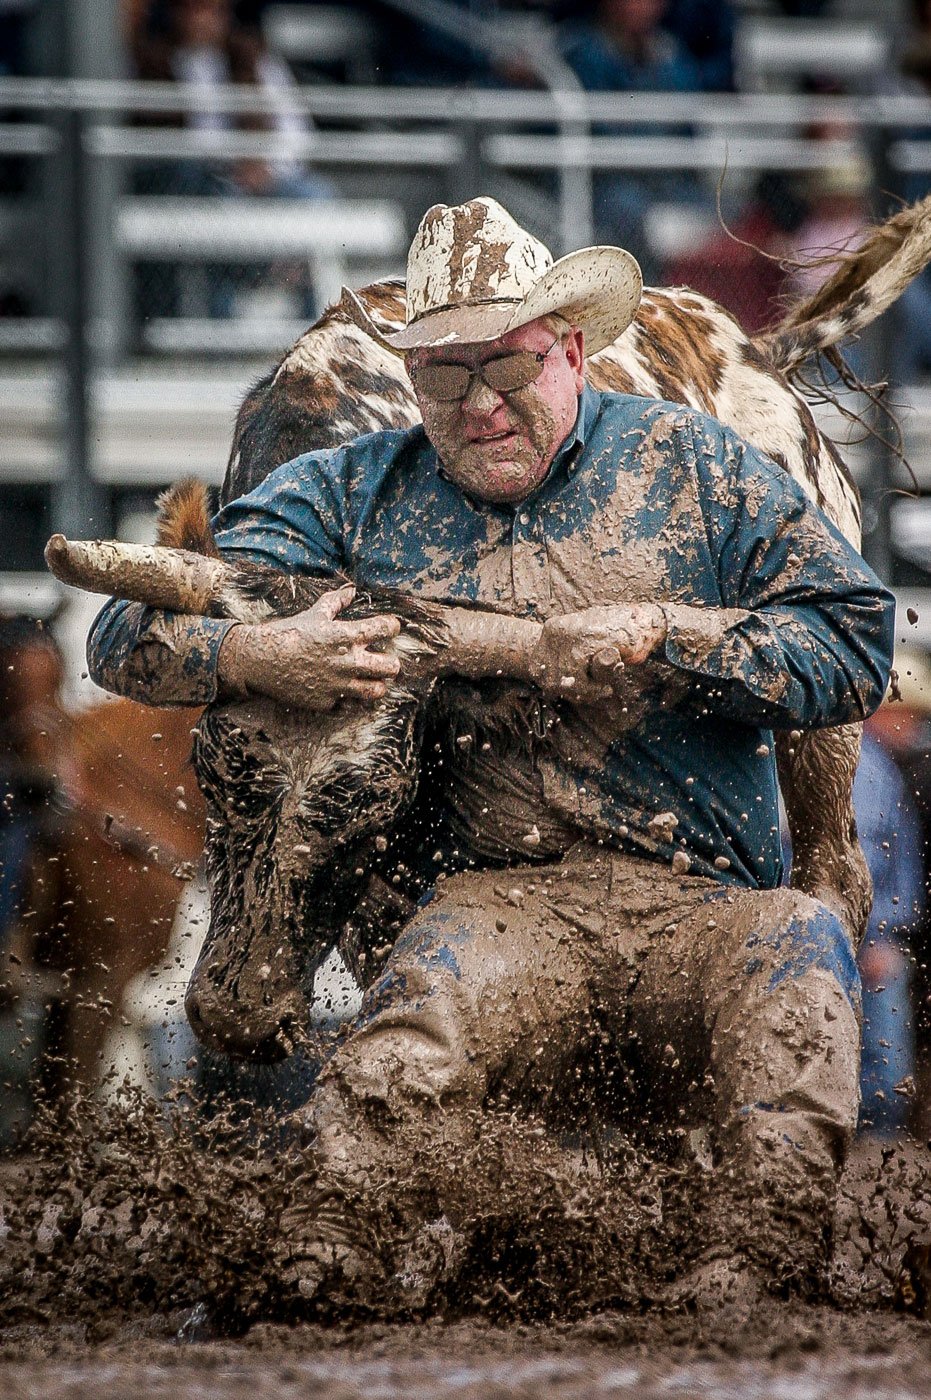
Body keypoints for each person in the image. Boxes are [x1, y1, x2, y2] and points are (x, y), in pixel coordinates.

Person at [87, 196, 895, 1309]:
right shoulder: (343, 489)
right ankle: (329, 1241)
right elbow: (124, 631)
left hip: (708, 903)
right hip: (499, 905)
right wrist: (265, 653)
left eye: (508, 366)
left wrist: (675, 637)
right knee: (411, 1023)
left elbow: (855, 638)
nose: (478, 404)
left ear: (569, 345)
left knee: (799, 955)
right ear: (407, 374)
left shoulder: (703, 465)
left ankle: (759, 1245)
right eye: (443, 374)